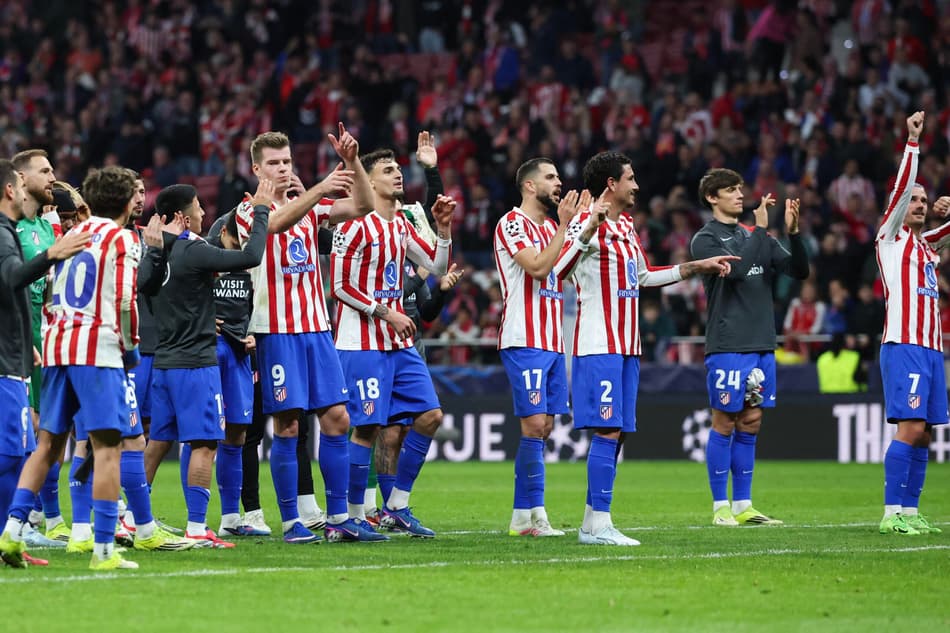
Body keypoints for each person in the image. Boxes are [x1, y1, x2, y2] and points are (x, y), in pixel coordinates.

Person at [553, 151, 737, 545]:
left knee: (619, 435)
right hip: (597, 342)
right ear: (611, 185)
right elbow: (558, 270)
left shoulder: (625, 229)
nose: (637, 185)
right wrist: (585, 228)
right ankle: (600, 524)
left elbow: (643, 277)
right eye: (630, 178)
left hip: (627, 346)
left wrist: (695, 267)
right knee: (608, 429)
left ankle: (591, 522)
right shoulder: (588, 223)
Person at [234, 124, 373, 544]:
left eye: (287, 162)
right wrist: (320, 187)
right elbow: (274, 224)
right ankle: (293, 521)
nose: (281, 169)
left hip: (316, 329)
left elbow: (365, 204)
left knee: (337, 419)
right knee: (288, 426)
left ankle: (336, 518)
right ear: (256, 168)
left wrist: (352, 162)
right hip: (276, 332)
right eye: (273, 163)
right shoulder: (248, 210)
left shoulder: (309, 207)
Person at [0, 166, 140, 570]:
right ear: (128, 201)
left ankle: (11, 531)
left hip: (60, 345)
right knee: (107, 447)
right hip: (98, 349)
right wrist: (130, 350)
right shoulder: (121, 239)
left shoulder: (69, 237)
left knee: (47, 445)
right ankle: (103, 550)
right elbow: (127, 303)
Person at [331, 142, 454, 539]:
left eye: (398, 168)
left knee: (430, 416)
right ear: (368, 181)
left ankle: (396, 507)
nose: (398, 173)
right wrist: (386, 312)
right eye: (387, 169)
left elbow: (435, 264)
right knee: (365, 428)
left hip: (397, 342)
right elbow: (339, 286)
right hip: (362, 341)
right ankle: (349, 517)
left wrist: (444, 228)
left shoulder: (402, 223)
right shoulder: (352, 224)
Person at [140, 182, 270, 548]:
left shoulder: (157, 253)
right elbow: (251, 256)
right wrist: (261, 209)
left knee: (158, 443)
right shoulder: (192, 250)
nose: (203, 214)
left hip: (164, 362)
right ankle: (198, 528)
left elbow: (144, 288)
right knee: (204, 444)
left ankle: (134, 518)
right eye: (198, 208)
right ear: (182, 216)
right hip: (196, 364)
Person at [690, 168, 809, 527]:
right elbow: (738, 273)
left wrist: (792, 232)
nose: (740, 195)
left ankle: (743, 505)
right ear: (713, 198)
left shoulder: (753, 235)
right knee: (725, 421)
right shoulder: (705, 240)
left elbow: (798, 270)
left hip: (761, 342)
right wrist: (759, 228)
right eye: (730, 190)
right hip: (728, 343)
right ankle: (719, 507)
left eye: (740, 189)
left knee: (752, 421)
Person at [494, 157, 587, 538]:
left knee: (544, 426)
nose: (559, 182)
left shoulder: (550, 226)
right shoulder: (511, 223)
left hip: (551, 341)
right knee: (533, 425)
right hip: (523, 338)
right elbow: (537, 267)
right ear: (530, 186)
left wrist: (583, 228)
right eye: (550, 177)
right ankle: (536, 515)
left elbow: (563, 270)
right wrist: (566, 226)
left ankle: (522, 517)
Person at [876, 111, 948, 536]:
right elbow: (903, 188)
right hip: (903, 344)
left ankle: (911, 510)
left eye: (925, 201)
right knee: (911, 427)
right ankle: (891, 513)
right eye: (914, 201)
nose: (919, 205)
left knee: (925, 436)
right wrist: (913, 142)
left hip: (931, 349)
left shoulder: (925, 247)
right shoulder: (890, 239)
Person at [11, 150, 68, 546]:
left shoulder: (46, 228)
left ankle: (39, 517)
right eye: (44, 171)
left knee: (47, 433)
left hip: (41, 338)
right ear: (19, 179)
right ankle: (23, 519)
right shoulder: (8, 228)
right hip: (14, 338)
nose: (53, 177)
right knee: (24, 433)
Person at [205, 208, 270, 537]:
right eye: (238, 235)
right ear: (224, 234)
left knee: (238, 434)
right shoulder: (205, 259)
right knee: (202, 435)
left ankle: (231, 519)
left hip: (241, 355)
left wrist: (253, 333)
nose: (245, 242)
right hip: (210, 352)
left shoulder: (252, 267)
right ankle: (195, 520)